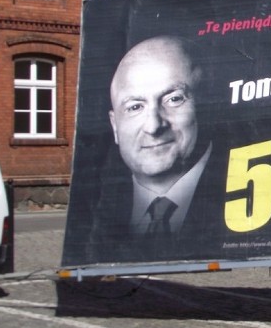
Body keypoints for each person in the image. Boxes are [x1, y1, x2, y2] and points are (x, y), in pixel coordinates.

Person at [88, 35, 223, 263]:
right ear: (114, 126)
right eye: (135, 107)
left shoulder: (246, 192)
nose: (153, 126)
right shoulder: (96, 210)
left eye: (174, 99)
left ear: (207, 105)